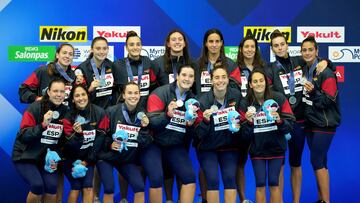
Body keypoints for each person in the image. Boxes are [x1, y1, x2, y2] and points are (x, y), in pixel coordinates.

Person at [266, 29, 330, 203]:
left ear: (287, 45)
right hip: (280, 122)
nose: (279, 48)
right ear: (272, 49)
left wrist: (326, 61)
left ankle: (295, 201)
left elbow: (319, 63)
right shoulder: (270, 69)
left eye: (282, 44)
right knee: (278, 165)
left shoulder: (300, 61)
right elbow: (269, 94)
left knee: (296, 163)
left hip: (300, 122)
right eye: (276, 46)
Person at [239, 69, 295, 203]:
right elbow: (243, 136)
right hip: (257, 150)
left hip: (276, 148)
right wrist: (249, 122)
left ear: (266, 82)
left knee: (274, 183)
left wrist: (279, 120)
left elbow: (290, 126)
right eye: (255, 81)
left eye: (261, 81)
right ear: (250, 84)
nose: (259, 84)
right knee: (260, 184)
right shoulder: (244, 103)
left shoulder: (279, 98)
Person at [147, 64, 199, 203]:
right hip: (154, 144)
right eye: (184, 75)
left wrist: (190, 126)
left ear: (194, 80)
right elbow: (151, 123)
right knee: (156, 179)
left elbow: (191, 134)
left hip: (174, 145)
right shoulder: (159, 93)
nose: (187, 79)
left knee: (189, 178)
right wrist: (167, 115)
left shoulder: (193, 101)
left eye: (191, 76)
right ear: (177, 76)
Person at [152, 29, 194, 203]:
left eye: (180, 39)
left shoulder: (192, 64)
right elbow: (151, 90)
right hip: (160, 127)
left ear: (184, 43)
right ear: (168, 43)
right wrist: (164, 114)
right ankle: (168, 199)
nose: (177, 42)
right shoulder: (157, 63)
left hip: (182, 128)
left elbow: (195, 94)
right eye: (173, 39)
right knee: (162, 172)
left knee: (182, 169)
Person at [12, 78, 68, 203]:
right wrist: (42, 125)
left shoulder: (66, 112)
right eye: (55, 91)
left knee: (52, 187)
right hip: (25, 155)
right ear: (48, 92)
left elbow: (65, 142)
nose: (59, 95)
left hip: (45, 159)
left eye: (62, 91)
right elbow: (24, 135)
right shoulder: (34, 108)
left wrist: (57, 155)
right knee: (37, 186)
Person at [96, 81, 153, 203]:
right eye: (130, 93)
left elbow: (146, 142)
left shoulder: (143, 115)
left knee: (140, 188)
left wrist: (142, 131)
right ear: (123, 95)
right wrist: (110, 144)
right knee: (109, 188)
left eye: (136, 93)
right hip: (107, 157)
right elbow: (100, 135)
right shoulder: (111, 111)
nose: (133, 96)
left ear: (139, 95)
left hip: (126, 159)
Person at [300, 36, 341, 203]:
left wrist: (313, 92)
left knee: (316, 160)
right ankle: (321, 199)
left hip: (324, 123)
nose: (307, 53)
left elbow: (328, 101)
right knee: (321, 162)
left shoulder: (327, 72)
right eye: (304, 50)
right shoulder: (305, 70)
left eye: (311, 49)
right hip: (311, 123)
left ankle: (326, 201)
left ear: (317, 51)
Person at [194, 66, 242, 203]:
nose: (220, 81)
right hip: (208, 148)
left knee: (230, 179)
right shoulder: (202, 101)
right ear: (211, 81)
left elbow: (243, 121)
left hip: (229, 146)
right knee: (213, 181)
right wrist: (205, 121)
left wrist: (241, 124)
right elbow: (198, 133)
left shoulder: (236, 96)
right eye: (216, 77)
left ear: (228, 79)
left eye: (223, 77)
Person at [229, 35, 266, 203]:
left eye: (252, 46)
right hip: (243, 118)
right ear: (241, 49)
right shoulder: (235, 68)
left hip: (264, 119)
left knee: (270, 160)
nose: (249, 49)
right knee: (240, 162)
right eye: (246, 46)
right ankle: (243, 198)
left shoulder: (264, 67)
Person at [62, 84, 108, 203]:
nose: (81, 98)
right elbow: (68, 146)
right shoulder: (68, 116)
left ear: (88, 95)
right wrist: (77, 135)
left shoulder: (99, 112)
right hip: (70, 158)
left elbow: (100, 140)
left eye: (83, 94)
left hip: (88, 158)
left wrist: (87, 161)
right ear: (72, 99)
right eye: (77, 95)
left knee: (88, 186)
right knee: (76, 187)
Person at [112, 31, 161, 107]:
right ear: (126, 47)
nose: (135, 47)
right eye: (131, 45)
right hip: (124, 110)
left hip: (144, 110)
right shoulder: (118, 65)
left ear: (141, 46)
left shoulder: (147, 62)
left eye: (138, 44)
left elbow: (155, 85)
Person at [75, 37, 114, 109]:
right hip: (89, 111)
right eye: (98, 48)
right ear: (92, 49)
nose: (102, 52)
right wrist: (90, 89)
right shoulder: (82, 69)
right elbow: (77, 96)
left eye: (104, 48)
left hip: (107, 111)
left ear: (108, 49)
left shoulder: (111, 65)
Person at [195, 28, 237, 95]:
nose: (214, 45)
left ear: (221, 43)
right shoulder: (197, 65)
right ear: (206, 43)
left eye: (217, 41)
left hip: (225, 104)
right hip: (202, 103)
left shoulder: (231, 65)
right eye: (211, 41)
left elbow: (236, 89)